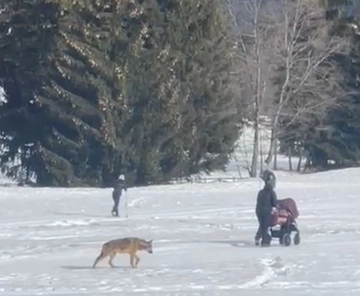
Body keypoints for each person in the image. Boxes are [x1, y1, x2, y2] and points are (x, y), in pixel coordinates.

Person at [255, 169, 277, 247]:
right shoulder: (271, 192)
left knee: (262, 225)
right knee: (265, 225)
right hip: (266, 211)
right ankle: (265, 240)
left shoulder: (260, 192)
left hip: (258, 210)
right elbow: (274, 203)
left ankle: (258, 237)